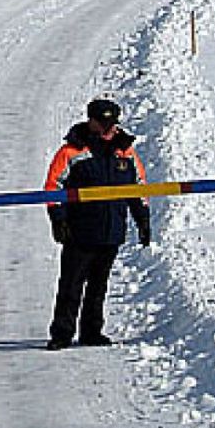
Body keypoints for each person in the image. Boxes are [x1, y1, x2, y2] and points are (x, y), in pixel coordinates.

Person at [43, 98, 151, 351]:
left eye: (112, 123)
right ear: (90, 121)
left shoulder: (125, 152)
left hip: (111, 231)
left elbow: (139, 188)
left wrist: (142, 220)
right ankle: (62, 333)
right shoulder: (71, 152)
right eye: (103, 123)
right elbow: (53, 186)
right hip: (79, 232)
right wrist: (58, 220)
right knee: (70, 285)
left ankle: (92, 331)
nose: (109, 129)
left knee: (98, 286)